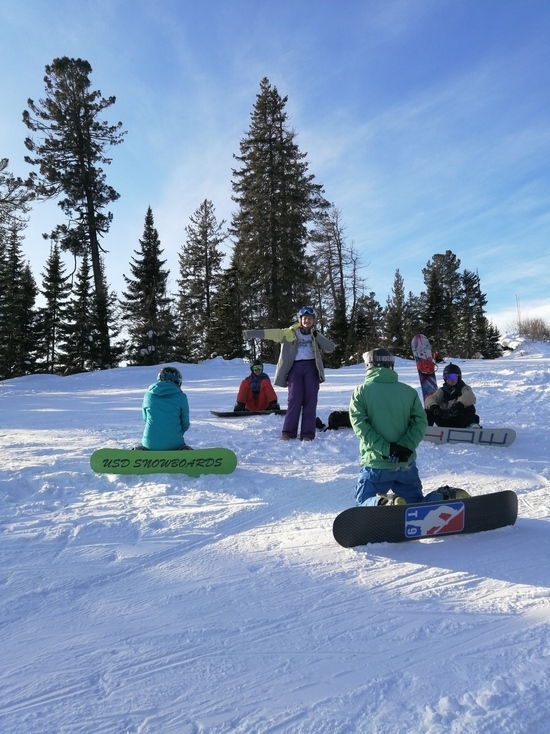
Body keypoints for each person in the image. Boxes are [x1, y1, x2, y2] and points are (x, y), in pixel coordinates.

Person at [349, 347, 429, 506]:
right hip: (406, 463)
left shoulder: (361, 392)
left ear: (368, 365)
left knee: (363, 505)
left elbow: (362, 428)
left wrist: (387, 449)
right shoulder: (409, 392)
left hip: (377, 464)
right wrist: (405, 446)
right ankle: (446, 497)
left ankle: (385, 503)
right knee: (416, 507)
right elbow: (420, 423)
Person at [242, 306, 335, 441]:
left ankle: (307, 434)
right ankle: (288, 432)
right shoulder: (289, 333)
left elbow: (330, 347)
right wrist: (248, 333)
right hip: (295, 369)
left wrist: (317, 335)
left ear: (313, 321)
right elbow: (269, 333)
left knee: (310, 401)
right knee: (294, 400)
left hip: (311, 369)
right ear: (300, 320)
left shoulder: (315, 335)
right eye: (304, 318)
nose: (307, 321)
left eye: (310, 319)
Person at [139, 366, 191, 450]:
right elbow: (185, 423)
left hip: (150, 443)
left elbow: (145, 418)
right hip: (175, 444)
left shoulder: (148, 395)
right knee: (185, 448)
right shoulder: (181, 396)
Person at [424, 363, 481, 429]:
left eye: (453, 377)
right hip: (445, 420)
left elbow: (470, 396)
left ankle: (472, 426)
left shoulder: (463, 388)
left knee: (469, 407)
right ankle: (425, 427)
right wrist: (435, 408)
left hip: (460, 421)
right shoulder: (442, 391)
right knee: (429, 410)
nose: (450, 380)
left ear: (458, 377)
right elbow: (430, 399)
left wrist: (459, 405)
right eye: (448, 377)